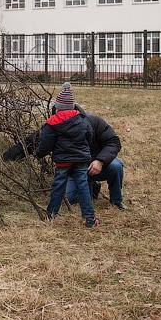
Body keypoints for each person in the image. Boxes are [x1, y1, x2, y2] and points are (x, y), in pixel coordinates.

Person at [3, 100, 125, 210]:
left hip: (96, 167)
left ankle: (116, 201)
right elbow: (30, 143)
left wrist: (100, 160)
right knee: (69, 198)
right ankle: (91, 188)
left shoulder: (93, 121)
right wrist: (5, 158)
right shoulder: (55, 126)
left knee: (116, 165)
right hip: (73, 171)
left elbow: (113, 142)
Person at [33, 83, 99, 228]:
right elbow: (90, 136)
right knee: (83, 186)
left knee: (58, 187)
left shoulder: (52, 123)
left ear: (57, 107)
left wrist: (39, 154)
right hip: (82, 160)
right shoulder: (83, 120)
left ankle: (51, 215)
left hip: (62, 162)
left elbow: (46, 144)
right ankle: (89, 218)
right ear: (73, 107)